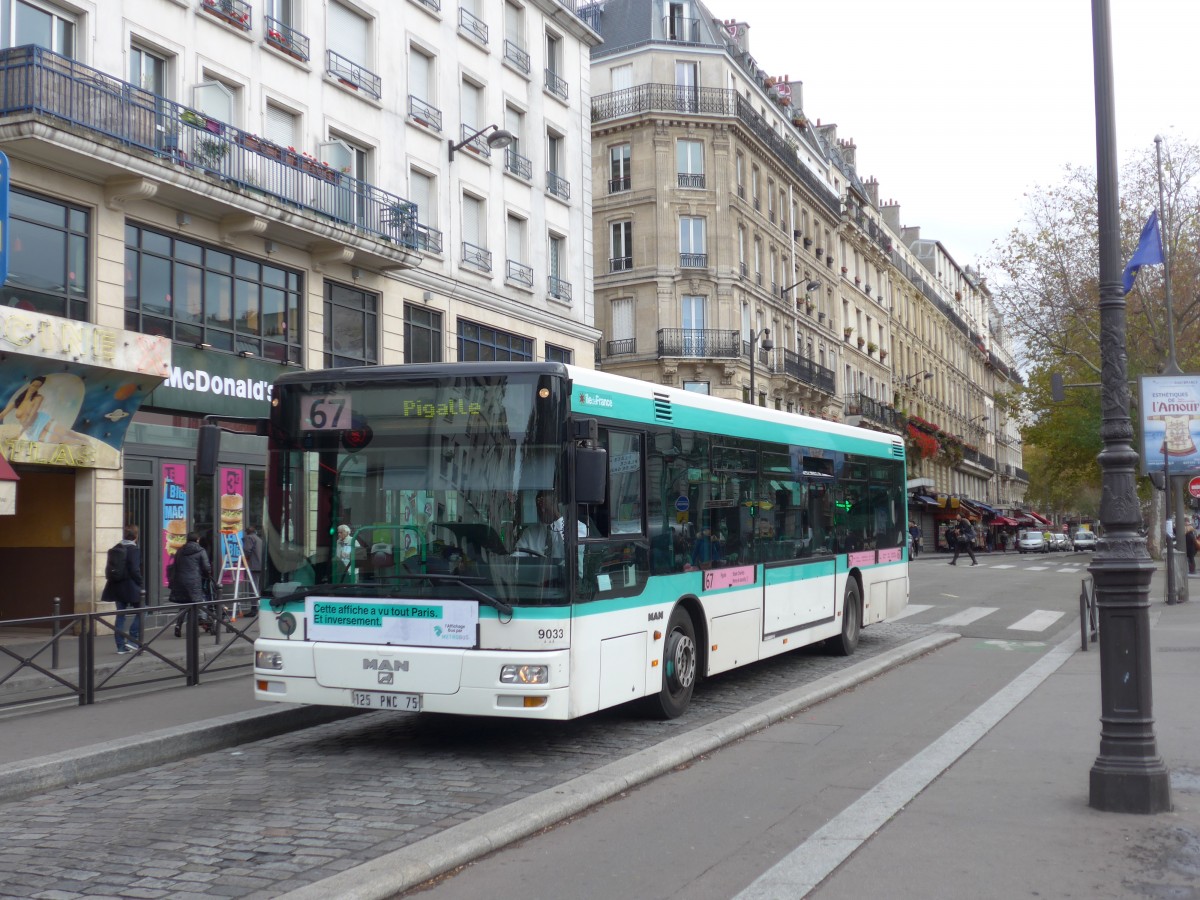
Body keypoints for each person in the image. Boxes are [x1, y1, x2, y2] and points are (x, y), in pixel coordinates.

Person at [101, 524, 144, 654]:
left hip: (116, 586)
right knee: (144, 611)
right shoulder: (134, 550)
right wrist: (140, 582)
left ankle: (120, 647)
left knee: (120, 616)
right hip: (131, 586)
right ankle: (132, 640)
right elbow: (135, 570)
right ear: (135, 536)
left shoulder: (115, 548)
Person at [170, 530, 213, 636]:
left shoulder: (180, 550)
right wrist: (208, 575)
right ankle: (192, 631)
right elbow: (206, 567)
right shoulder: (200, 550)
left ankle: (178, 626)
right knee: (195, 605)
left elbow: (175, 565)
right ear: (197, 540)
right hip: (194, 581)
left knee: (184, 604)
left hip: (180, 581)